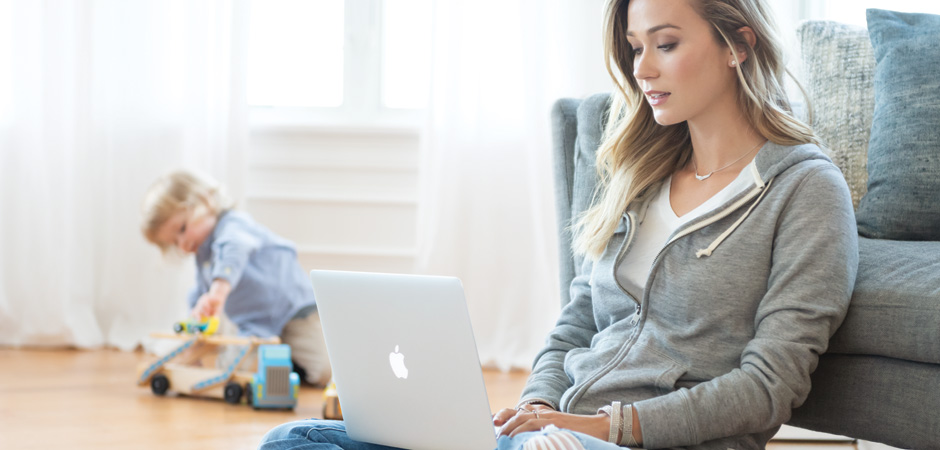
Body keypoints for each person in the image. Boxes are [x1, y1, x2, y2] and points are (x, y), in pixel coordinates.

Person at [258, 0, 857, 448]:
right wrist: (538, 403)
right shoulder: (640, 171)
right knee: (292, 441)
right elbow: (576, 319)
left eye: (665, 44)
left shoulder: (805, 190)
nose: (642, 68)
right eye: (634, 46)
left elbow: (767, 388)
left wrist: (599, 426)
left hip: (645, 442)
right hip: (558, 436)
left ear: (738, 45)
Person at [141, 169, 332, 386]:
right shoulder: (202, 256)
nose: (183, 245)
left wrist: (218, 291)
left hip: (295, 311)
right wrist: (195, 327)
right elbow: (200, 293)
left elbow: (234, 251)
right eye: (175, 243)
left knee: (325, 373)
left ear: (205, 200)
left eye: (183, 229)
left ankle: (292, 359)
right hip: (254, 324)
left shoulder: (234, 225)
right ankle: (280, 358)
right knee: (231, 370)